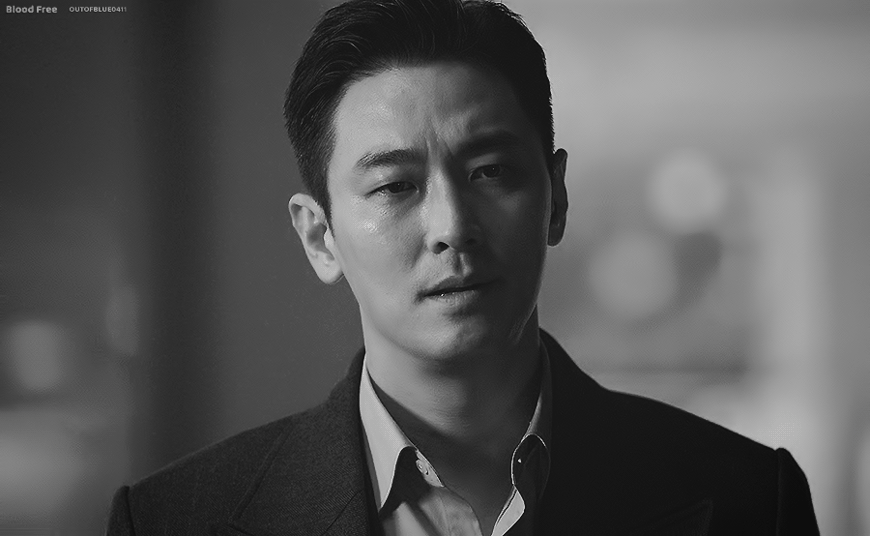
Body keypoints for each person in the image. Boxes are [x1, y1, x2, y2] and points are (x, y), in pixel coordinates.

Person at [106, 0, 820, 534]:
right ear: (320, 237)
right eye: (395, 186)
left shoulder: (750, 499)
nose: (452, 227)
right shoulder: (174, 520)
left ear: (556, 198)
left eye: (491, 171)